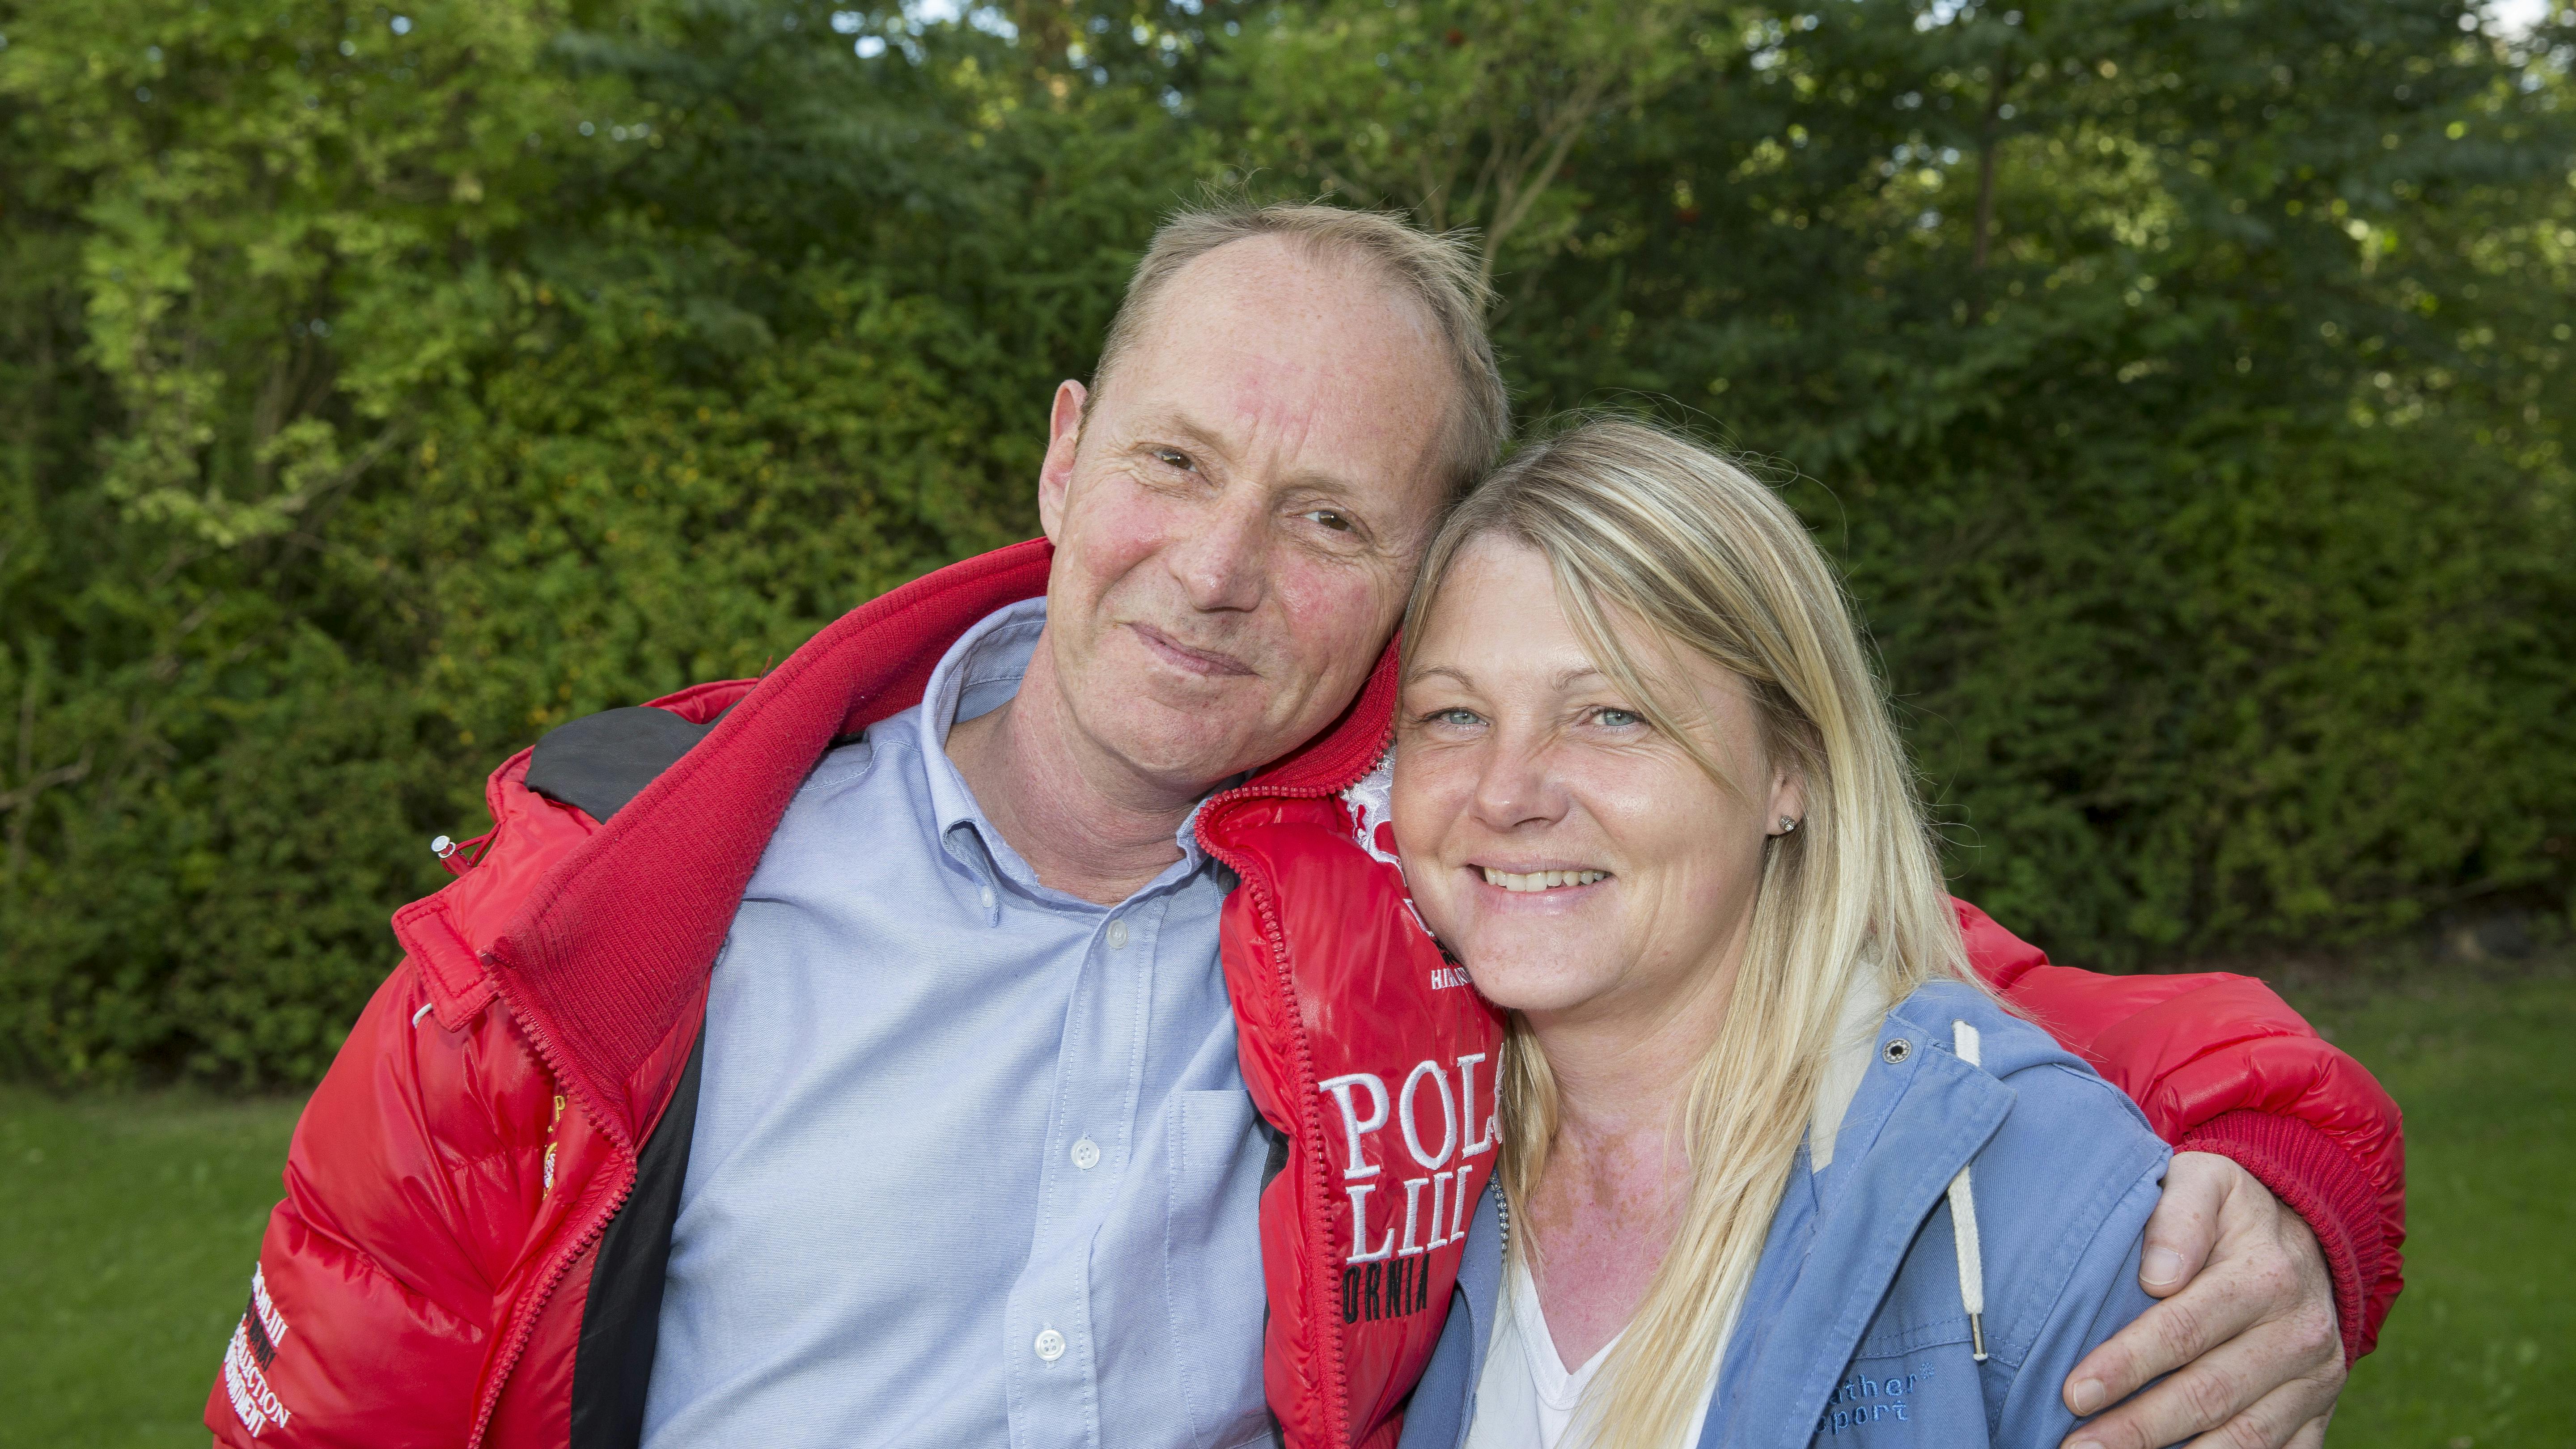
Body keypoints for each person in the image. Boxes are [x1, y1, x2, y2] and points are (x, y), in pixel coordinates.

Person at [206, 203, 2394, 1449]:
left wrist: (2292, 1190)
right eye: (1173, 462)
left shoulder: (1434, 873)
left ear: (1422, 572)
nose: (1220, 568)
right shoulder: (622, 912)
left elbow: (1918, 981)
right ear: (1063, 458)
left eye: (1328, 514)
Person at [1390, 418, 2228, 1449]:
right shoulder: (1388, 1166)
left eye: (1613, 714)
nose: (1506, 792)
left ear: (1789, 770)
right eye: (1453, 717)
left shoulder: (2033, 1199)